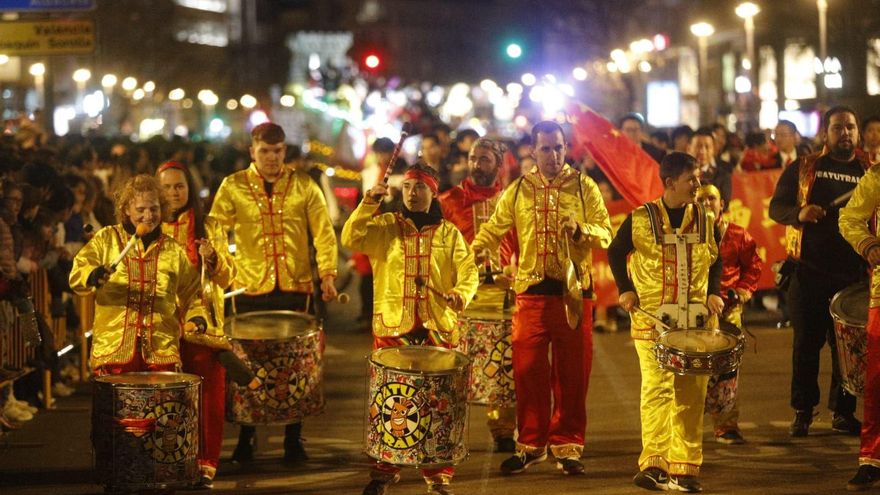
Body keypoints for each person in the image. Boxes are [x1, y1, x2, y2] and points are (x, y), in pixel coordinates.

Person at [472, 121, 612, 477]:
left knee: (572, 374)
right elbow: (494, 228)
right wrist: (474, 252)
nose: (553, 155)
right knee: (528, 371)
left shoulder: (584, 187)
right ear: (533, 151)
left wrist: (582, 229)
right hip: (531, 294)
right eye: (546, 148)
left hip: (574, 294)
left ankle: (567, 444)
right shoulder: (519, 190)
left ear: (567, 149)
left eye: (559, 148)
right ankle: (531, 444)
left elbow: (606, 232)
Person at [342, 163, 479, 495]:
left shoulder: (449, 233)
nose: (412, 193)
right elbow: (350, 237)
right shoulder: (385, 226)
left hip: (437, 326)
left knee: (439, 400)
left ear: (433, 193)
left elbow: (468, 271)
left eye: (419, 188)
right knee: (392, 399)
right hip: (393, 324)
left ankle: (438, 471)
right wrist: (368, 203)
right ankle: (384, 468)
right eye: (406, 187)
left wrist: (460, 294)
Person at [208, 122, 338, 464]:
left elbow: (323, 232)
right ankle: (247, 436)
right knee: (250, 366)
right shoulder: (232, 186)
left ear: (285, 151)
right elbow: (216, 229)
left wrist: (327, 273)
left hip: (295, 287)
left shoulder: (304, 185)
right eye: (264, 151)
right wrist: (221, 269)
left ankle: (293, 437)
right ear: (253, 151)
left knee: (296, 365)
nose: (270, 158)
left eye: (277, 151)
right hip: (250, 287)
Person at [608, 152, 723, 493]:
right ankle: (654, 465)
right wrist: (625, 290)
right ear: (671, 182)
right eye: (692, 179)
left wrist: (714, 292)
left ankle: (685, 468)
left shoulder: (704, 217)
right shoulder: (641, 217)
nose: (697, 185)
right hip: (652, 322)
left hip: (695, 323)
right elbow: (615, 252)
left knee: (691, 392)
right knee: (656, 390)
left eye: (698, 178)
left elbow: (716, 259)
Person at [769, 105, 869, 437]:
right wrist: (800, 212)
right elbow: (776, 208)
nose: (846, 133)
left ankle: (843, 410)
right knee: (806, 347)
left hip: (853, 276)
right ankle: (803, 411)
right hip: (808, 273)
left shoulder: (869, 170)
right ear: (825, 133)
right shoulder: (805, 168)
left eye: (851, 127)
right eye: (839, 127)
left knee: (848, 350)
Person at [69, 174, 206, 375]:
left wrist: (197, 318)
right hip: (113, 352)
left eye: (154, 209)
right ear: (126, 209)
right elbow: (77, 273)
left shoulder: (173, 249)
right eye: (140, 210)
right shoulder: (106, 239)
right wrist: (93, 276)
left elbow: (193, 294)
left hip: (162, 351)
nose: (148, 216)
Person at [158, 161, 235, 488]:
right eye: (166, 188)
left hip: (203, 328)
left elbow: (230, 276)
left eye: (179, 187)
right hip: (160, 327)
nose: (174, 194)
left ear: (190, 189)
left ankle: (206, 460)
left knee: (208, 397)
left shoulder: (210, 225)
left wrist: (213, 258)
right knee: (166, 398)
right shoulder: (148, 224)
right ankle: (169, 458)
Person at [438, 138, 518, 452]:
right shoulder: (449, 199)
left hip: (501, 296)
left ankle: (502, 431)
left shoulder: (511, 200)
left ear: (498, 165)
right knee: (457, 366)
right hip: (462, 298)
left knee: (501, 369)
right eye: (473, 158)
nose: (476, 164)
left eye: (484, 159)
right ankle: (448, 429)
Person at [696, 184, 762, 445]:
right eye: (701, 199)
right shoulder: (685, 234)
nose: (706, 203)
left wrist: (743, 290)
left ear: (721, 203)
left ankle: (726, 426)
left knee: (727, 372)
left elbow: (753, 266)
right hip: (695, 313)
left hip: (729, 311)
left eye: (711, 198)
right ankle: (687, 426)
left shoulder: (737, 234)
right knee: (694, 370)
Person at [840, 160, 880, 490]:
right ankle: (871, 458)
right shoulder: (878, 175)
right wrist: (868, 245)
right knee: (877, 380)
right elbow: (850, 218)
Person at [688, 127, 732, 210]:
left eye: (707, 147)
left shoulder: (722, 176)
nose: (702, 151)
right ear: (689, 148)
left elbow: (725, 204)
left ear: (714, 150)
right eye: (698, 146)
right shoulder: (680, 174)